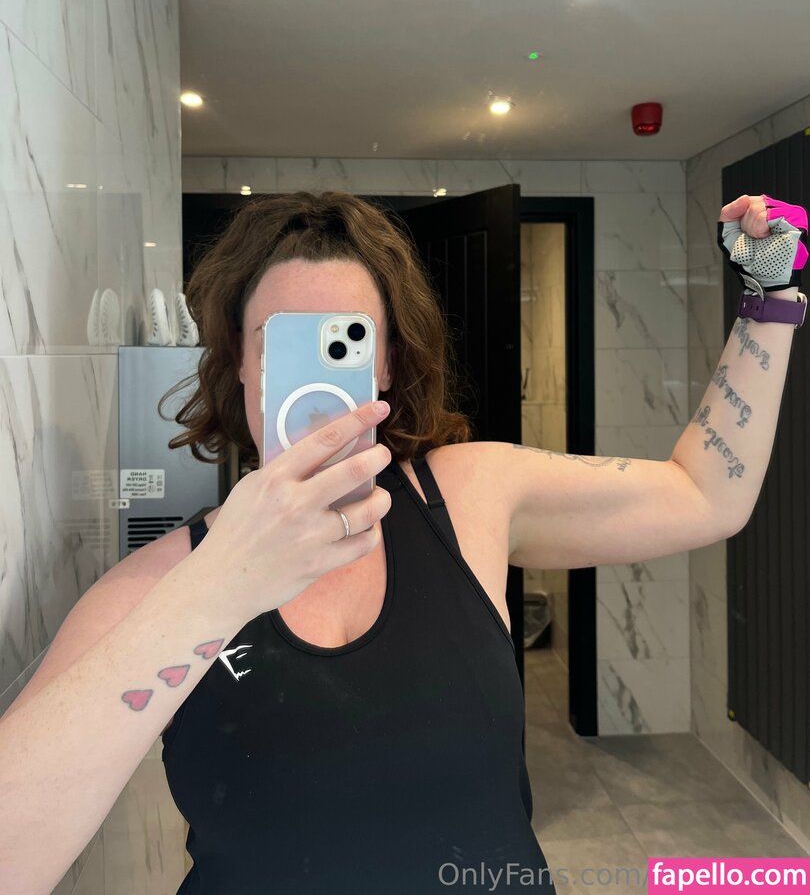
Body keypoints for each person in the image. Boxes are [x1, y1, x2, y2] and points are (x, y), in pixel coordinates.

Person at [0, 189, 804, 894]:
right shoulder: (157, 587)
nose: (315, 380)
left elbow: (705, 496)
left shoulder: (470, 496)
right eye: (280, 342)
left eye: (344, 339)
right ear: (239, 364)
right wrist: (215, 589)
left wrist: (771, 295)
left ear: (384, 363)